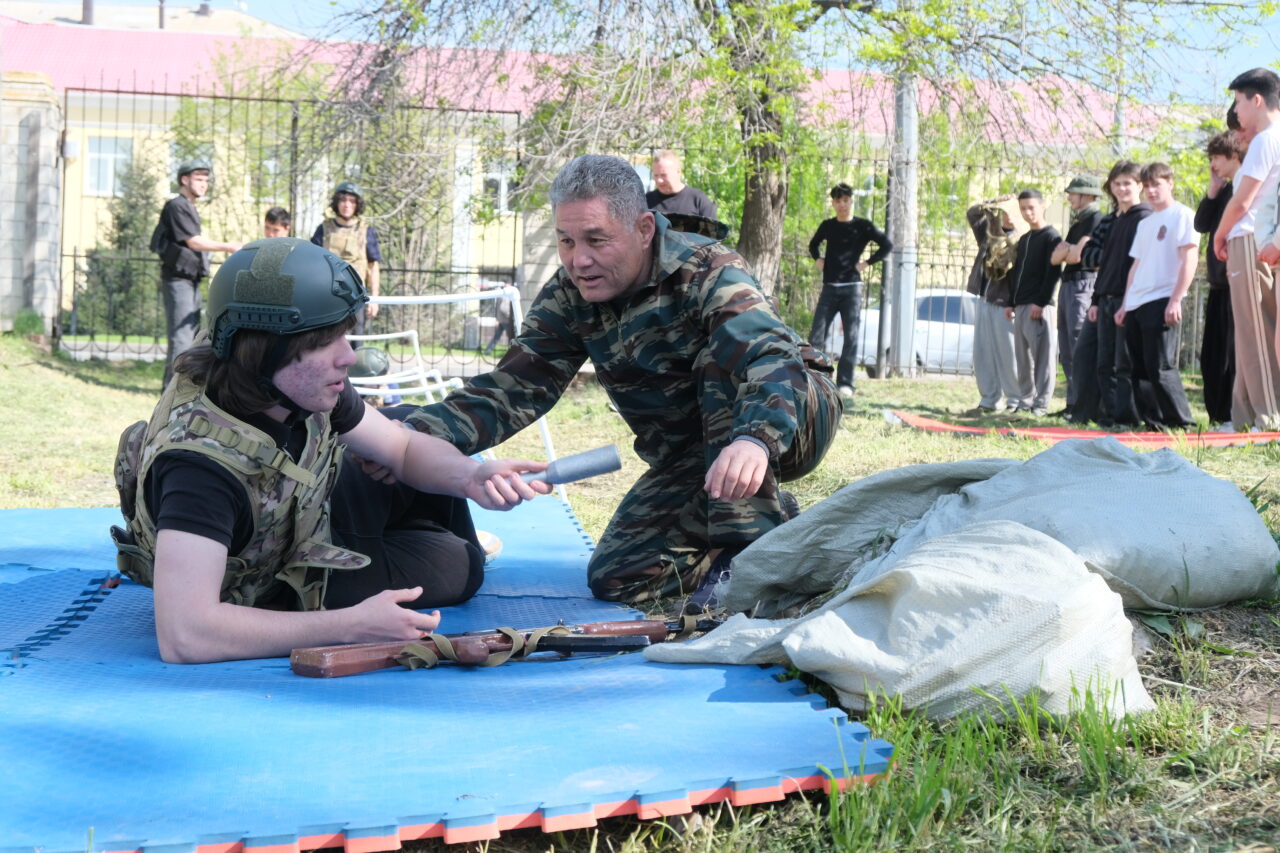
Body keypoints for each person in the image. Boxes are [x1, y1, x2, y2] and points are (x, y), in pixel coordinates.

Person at [406, 154, 841, 605]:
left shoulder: (707, 268)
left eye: (597, 239)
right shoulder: (570, 295)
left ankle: (746, 553)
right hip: (699, 453)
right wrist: (408, 437)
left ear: (644, 229)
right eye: (566, 241)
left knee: (722, 355)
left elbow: (768, 356)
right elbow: (513, 388)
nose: (580, 260)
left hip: (790, 417)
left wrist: (754, 440)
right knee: (618, 577)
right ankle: (778, 524)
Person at [110, 237, 550, 664]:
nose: (349, 357)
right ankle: (442, 540)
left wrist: (471, 478)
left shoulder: (291, 382)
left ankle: (418, 526)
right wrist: (349, 625)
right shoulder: (200, 468)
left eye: (345, 335)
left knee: (408, 422)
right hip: (285, 575)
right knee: (460, 566)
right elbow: (185, 634)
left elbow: (400, 447)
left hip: (308, 507)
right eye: (324, 342)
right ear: (264, 351)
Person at [1214, 68, 1280, 431]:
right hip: (1252, 239)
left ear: (1257, 100)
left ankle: (1269, 416)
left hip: (1251, 239)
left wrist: (1219, 235)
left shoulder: (1268, 139)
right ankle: (1244, 416)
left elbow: (1243, 200)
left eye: (1239, 101)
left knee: (1258, 331)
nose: (1236, 111)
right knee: (1247, 332)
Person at [1114, 163, 1197, 429]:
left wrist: (1176, 298)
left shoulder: (1183, 215)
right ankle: (1154, 422)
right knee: (1139, 368)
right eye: (1147, 185)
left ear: (1170, 183)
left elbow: (1189, 258)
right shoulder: (1146, 223)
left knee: (1160, 365)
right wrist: (1125, 303)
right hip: (1137, 301)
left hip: (1163, 297)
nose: (1151, 191)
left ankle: (1181, 422)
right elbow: (1135, 267)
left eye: (1156, 184)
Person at [153, 160, 242, 385]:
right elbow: (193, 242)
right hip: (178, 280)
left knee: (191, 336)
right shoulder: (177, 206)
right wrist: (229, 246)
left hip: (189, 279)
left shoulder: (189, 206)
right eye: (199, 179)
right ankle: (171, 393)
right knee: (181, 339)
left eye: (206, 180)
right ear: (185, 180)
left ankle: (180, 388)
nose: (204, 185)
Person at [806, 183, 893, 398]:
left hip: (852, 289)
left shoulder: (862, 226)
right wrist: (818, 259)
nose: (842, 204)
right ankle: (814, 378)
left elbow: (886, 245)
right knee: (817, 334)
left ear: (851, 201)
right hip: (829, 288)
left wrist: (867, 263)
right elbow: (813, 245)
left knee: (851, 337)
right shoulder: (828, 225)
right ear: (833, 203)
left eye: (846, 200)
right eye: (838, 200)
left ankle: (845, 383)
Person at [1083, 160, 1151, 427]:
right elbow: (1103, 264)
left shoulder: (1144, 218)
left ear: (1139, 186)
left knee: (1125, 364)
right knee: (1104, 363)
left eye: (1127, 183)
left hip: (1128, 299)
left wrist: (1130, 300)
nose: (1122, 188)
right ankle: (1110, 415)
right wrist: (1096, 300)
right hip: (1106, 298)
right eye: (1117, 183)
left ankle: (1129, 417)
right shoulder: (1114, 220)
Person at [1195, 132, 1244, 426]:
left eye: (1216, 158)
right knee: (1211, 356)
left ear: (1233, 155)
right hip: (1217, 282)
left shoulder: (1243, 187)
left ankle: (1230, 414)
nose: (1213, 164)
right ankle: (1216, 415)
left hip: (1234, 279)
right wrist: (1212, 191)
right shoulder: (1223, 189)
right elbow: (1201, 224)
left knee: (1231, 355)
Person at [1004, 189, 1062, 416]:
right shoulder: (1025, 239)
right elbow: (1016, 273)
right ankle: (1025, 400)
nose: (1028, 213)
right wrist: (1011, 302)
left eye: (1031, 208)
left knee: (1042, 357)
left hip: (1038, 306)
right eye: (1023, 209)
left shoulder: (1051, 237)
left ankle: (1041, 403)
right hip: (1020, 305)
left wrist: (1041, 301)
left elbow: (1052, 273)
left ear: (1042, 206)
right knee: (1023, 357)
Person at [1050, 176, 1104, 414]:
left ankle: (1084, 403)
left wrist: (1069, 250)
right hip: (1069, 284)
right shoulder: (1077, 223)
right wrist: (1070, 250)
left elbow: (1076, 256)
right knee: (1067, 347)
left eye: (1074, 193)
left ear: (1087, 195)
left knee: (1079, 344)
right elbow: (1056, 257)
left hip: (1084, 284)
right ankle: (1073, 402)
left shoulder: (1096, 220)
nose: (1070, 197)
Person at [963, 196, 1022, 414]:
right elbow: (973, 214)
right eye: (1003, 211)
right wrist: (993, 202)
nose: (1006, 216)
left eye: (1010, 211)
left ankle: (1015, 401)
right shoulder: (991, 235)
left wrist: (1014, 302)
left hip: (1005, 303)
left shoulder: (1023, 238)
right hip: (984, 297)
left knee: (1009, 354)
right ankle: (988, 401)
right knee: (983, 353)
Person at [312, 181, 382, 335]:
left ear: (358, 205)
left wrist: (374, 299)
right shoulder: (323, 229)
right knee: (326, 341)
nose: (347, 205)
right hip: (328, 296)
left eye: (352, 201)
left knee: (356, 344)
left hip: (355, 297)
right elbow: (312, 262)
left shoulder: (366, 231)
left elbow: (373, 266)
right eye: (343, 200)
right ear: (336, 202)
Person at [645, 150, 717, 219]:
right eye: (656, 175)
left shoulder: (698, 199)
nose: (659, 180)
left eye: (663, 175)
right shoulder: (646, 201)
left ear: (678, 172)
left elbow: (712, 230)